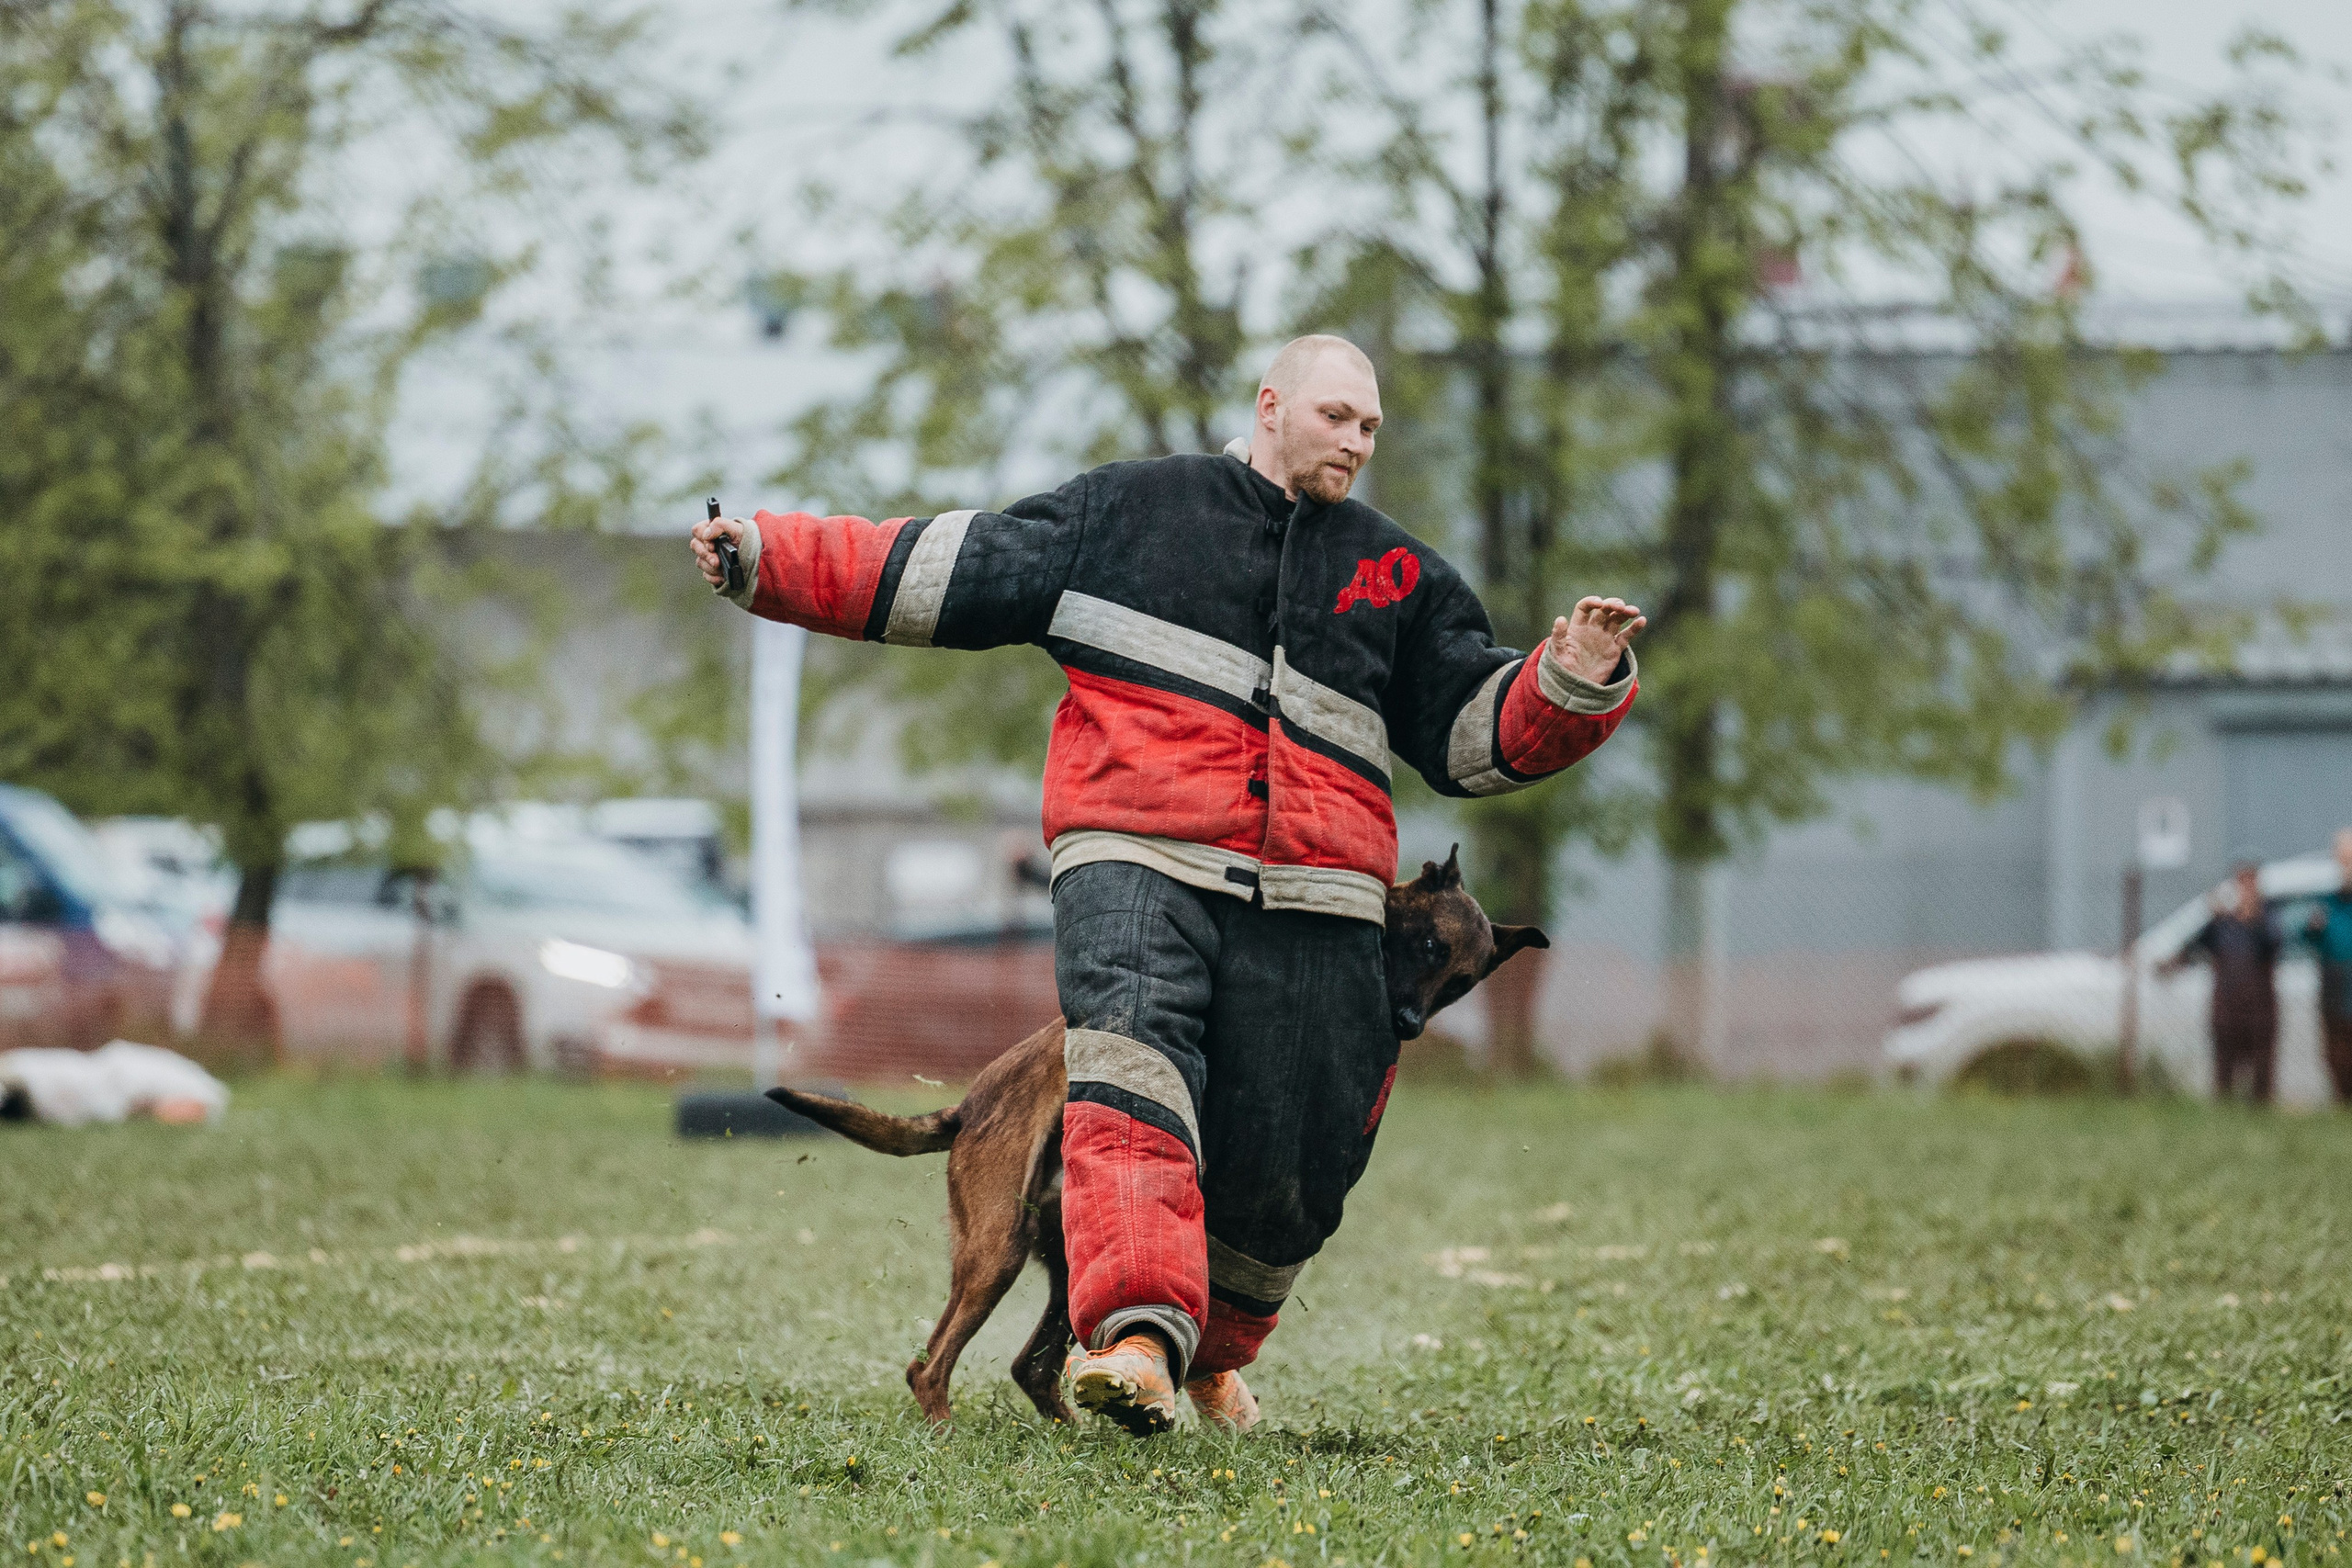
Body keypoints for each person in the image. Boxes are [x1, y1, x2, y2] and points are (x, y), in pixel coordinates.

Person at [691, 335, 1645, 1434]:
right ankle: (1137, 1341)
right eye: (1336, 416)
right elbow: (957, 565)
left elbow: (1472, 740)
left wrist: (1571, 680)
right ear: (1271, 405)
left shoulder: (1400, 575)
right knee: (1133, 1083)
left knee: (1298, 1158)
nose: (1356, 441)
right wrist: (766, 555)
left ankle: (1208, 1352)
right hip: (1138, 862)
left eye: (1371, 427)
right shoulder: (1131, 511)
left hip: (1323, 901)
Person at [2170, 863, 2282, 1104]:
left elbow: (2274, 943)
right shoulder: (2221, 923)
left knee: (2261, 1063)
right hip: (2227, 1004)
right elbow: (2194, 946)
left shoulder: (2268, 916)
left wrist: (2253, 917)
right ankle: (2224, 1103)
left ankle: (2261, 1107)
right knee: (2224, 1060)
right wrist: (2212, 915)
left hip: (2259, 1006)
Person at [2302, 828, 2352, 1104]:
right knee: (2337, 1048)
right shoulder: (2329, 903)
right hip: (2336, 984)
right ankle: (2342, 1100)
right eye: (2343, 860)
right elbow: (2306, 936)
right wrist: (2313, 929)